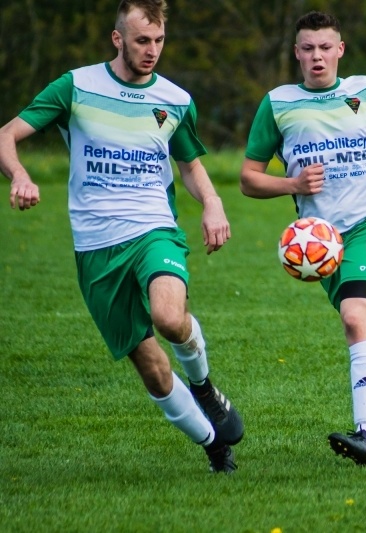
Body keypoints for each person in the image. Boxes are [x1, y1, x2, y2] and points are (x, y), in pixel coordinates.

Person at [0, 0, 243, 473]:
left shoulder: (175, 99)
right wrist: (19, 175)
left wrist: (212, 204)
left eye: (158, 41)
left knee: (170, 318)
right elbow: (6, 134)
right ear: (118, 39)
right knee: (151, 366)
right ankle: (214, 443)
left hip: (154, 228)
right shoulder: (76, 86)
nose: (152, 51)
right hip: (95, 246)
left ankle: (205, 386)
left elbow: (189, 164)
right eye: (141, 41)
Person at [240, 11, 366, 466]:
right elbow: (248, 179)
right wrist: (292, 185)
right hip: (321, 242)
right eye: (307, 48)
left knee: (354, 319)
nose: (317, 57)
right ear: (296, 53)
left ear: (340, 50)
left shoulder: (364, 91)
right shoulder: (278, 103)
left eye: (325, 47)